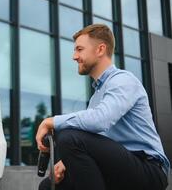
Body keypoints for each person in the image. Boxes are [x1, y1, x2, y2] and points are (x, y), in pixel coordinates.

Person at [36, 24, 170, 190]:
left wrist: (51, 121)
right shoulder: (96, 98)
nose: (74, 56)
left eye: (79, 49)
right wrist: (65, 162)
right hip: (118, 166)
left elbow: (99, 121)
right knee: (48, 185)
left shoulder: (123, 80)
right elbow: (97, 142)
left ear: (100, 50)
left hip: (148, 170)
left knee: (69, 137)